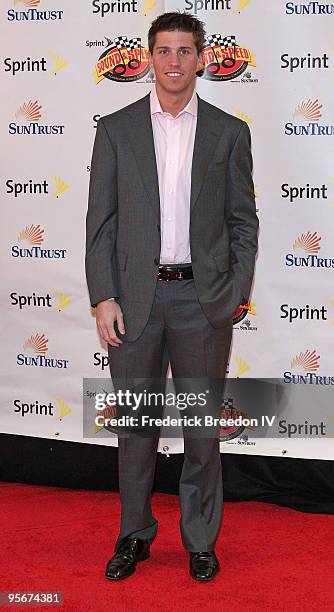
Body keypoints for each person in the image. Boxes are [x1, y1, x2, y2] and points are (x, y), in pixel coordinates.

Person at [85, 11, 258, 582]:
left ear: (202, 59)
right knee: (136, 428)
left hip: (202, 302)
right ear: (149, 57)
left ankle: (200, 539)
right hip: (134, 301)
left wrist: (234, 290)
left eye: (186, 51)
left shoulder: (230, 132)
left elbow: (242, 222)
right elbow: (101, 225)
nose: (175, 62)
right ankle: (134, 535)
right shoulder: (114, 128)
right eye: (165, 51)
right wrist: (104, 295)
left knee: (202, 430)